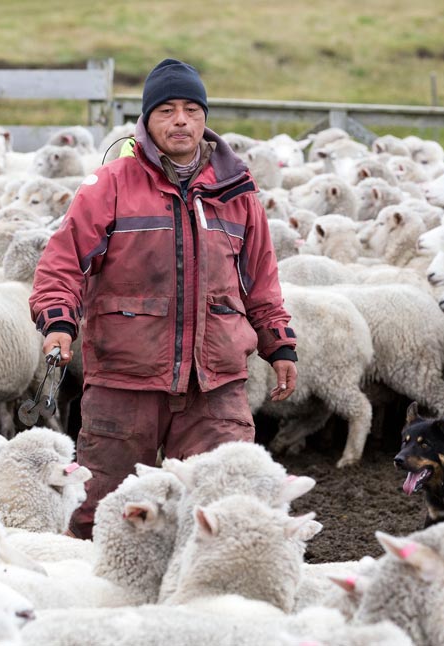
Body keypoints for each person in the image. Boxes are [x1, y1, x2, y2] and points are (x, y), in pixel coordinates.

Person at [29, 58, 298, 539]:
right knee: (102, 513)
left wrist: (279, 344)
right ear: (148, 120)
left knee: (224, 511)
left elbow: (262, 281)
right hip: (126, 380)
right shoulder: (110, 186)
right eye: (167, 110)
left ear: (204, 118)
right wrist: (58, 323)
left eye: (191, 110)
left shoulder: (236, 194)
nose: (180, 120)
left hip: (214, 386)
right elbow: (63, 263)